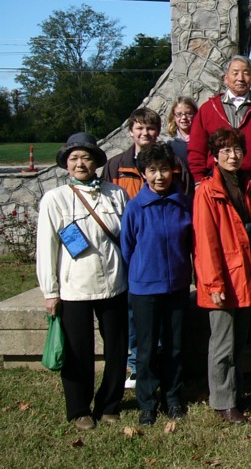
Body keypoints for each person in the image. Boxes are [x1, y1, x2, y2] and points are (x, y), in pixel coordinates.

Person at [36, 132, 128, 430]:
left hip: (115, 283)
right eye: (73, 158)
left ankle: (110, 404)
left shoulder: (116, 194)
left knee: (116, 348)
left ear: (96, 162)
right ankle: (79, 409)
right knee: (79, 351)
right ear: (65, 164)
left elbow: (128, 238)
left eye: (86, 157)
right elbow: (46, 248)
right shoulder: (55, 199)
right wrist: (50, 292)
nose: (80, 163)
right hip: (74, 287)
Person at [103, 106, 193, 390]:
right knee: (137, 326)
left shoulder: (175, 164)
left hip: (172, 267)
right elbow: (124, 239)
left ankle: (171, 388)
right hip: (140, 261)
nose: (145, 133)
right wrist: (137, 267)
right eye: (140, 128)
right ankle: (137, 372)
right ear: (131, 131)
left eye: (151, 129)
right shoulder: (117, 165)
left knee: (171, 337)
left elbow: (187, 211)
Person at [120, 142, 193, 426]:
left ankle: (173, 397)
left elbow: (190, 243)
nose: (159, 176)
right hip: (144, 289)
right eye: (152, 170)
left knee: (175, 346)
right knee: (147, 348)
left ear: (172, 170)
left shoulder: (183, 203)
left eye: (164, 169)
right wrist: (141, 274)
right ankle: (147, 402)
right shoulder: (136, 207)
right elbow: (127, 247)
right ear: (144, 174)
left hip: (176, 286)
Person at [193, 128, 251, 425]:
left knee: (238, 340)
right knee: (222, 342)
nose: (233, 156)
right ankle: (222, 401)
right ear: (215, 156)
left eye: (237, 150)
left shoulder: (244, 184)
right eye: (226, 151)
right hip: (222, 278)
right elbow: (205, 243)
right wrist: (213, 283)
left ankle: (235, 391)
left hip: (243, 274)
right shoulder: (208, 191)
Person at [188, 55, 251, 184]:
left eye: (246, 73)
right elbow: (197, 149)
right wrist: (198, 181)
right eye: (235, 73)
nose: (240, 78)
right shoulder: (208, 110)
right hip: (215, 182)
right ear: (225, 78)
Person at [164, 96, 198, 165]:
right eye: (179, 114)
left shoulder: (203, 138)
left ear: (195, 115)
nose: (184, 117)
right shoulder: (169, 142)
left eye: (188, 113)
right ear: (174, 117)